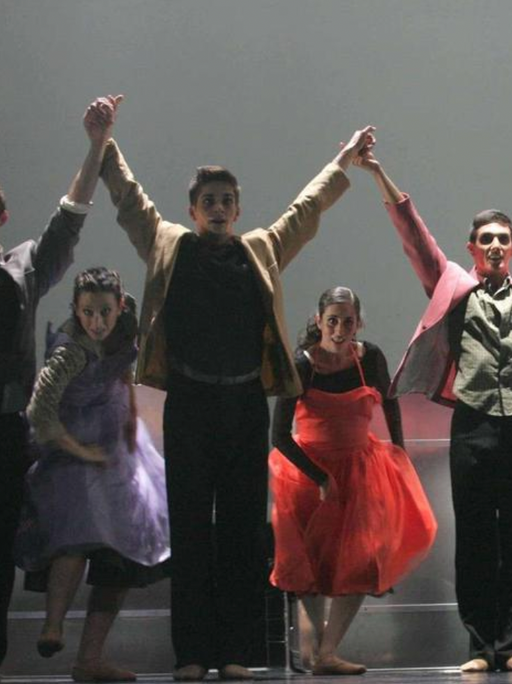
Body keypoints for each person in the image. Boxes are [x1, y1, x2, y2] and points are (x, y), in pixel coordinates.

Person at [97, 114, 375, 682]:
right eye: (208, 200)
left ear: (238, 209)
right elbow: (130, 200)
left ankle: (235, 653)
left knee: (244, 530)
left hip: (245, 403)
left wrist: (343, 160)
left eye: (227, 199)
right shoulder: (171, 244)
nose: (218, 208)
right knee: (194, 530)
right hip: (193, 405)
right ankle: (192, 654)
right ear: (194, 209)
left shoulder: (261, 249)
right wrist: (104, 142)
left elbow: (306, 208)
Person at [355, 142, 512, 672]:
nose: (495, 247)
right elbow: (413, 237)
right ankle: (479, 644)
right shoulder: (454, 286)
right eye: (486, 240)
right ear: (471, 247)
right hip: (472, 423)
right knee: (473, 536)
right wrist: (378, 172)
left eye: (503, 240)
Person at [0, 95, 120, 684]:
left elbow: (71, 214)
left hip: (1, 427)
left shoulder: (22, 267)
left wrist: (96, 142)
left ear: (1, 218)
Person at [269, 286, 437, 676]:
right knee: (309, 566)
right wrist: (319, 477)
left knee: (360, 563)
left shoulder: (370, 356)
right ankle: (314, 650)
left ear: (358, 322)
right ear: (318, 321)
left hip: (360, 470)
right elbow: (278, 435)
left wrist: (399, 449)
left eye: (347, 321)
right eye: (332, 321)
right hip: (308, 472)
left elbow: (389, 400)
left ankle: (327, 650)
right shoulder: (303, 363)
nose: (340, 329)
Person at [15, 267, 168, 682]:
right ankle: (52, 624)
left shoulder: (126, 324)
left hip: (116, 451)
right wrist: (83, 450)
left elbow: (127, 361)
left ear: (119, 306)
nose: (97, 322)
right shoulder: (69, 351)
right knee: (75, 534)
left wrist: (128, 416)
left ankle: (91, 657)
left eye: (105, 311)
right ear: (76, 310)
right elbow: (40, 415)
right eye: (87, 312)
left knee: (121, 555)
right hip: (71, 452)